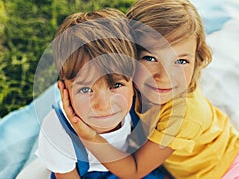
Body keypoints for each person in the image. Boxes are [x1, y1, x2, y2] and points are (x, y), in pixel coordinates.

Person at [59, 0, 239, 178]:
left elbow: (134, 170)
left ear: (197, 58)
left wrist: (89, 136)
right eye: (150, 58)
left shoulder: (182, 115)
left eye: (181, 61)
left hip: (232, 170)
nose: (164, 77)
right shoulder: (129, 84)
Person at [36, 8, 167, 179]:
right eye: (85, 89)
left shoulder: (139, 102)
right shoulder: (57, 131)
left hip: (128, 167)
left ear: (133, 82)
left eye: (116, 85)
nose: (103, 105)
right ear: (63, 89)